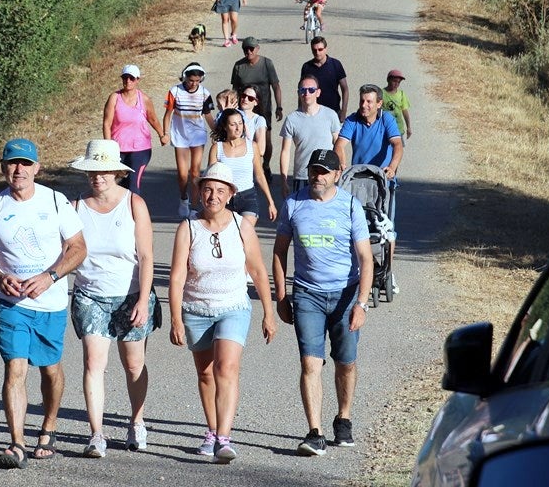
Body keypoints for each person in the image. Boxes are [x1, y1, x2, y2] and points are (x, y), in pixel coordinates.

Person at [0, 138, 88, 469]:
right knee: (16, 367)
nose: (18, 169)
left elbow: (78, 248)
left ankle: (48, 429)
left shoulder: (55, 201)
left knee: (50, 369)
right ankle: (17, 443)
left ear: (37, 168)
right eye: (12, 163)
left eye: (25, 163)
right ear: (3, 168)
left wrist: (50, 276)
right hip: (11, 304)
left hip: (50, 302)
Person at [169, 162, 277, 464]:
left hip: (233, 307)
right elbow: (177, 276)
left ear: (230, 194)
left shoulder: (242, 226)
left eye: (219, 190)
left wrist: (269, 313)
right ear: (200, 193)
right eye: (207, 189)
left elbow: (257, 270)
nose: (213, 196)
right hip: (196, 308)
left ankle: (224, 439)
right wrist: (176, 318)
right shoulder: (188, 228)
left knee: (226, 368)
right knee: (205, 373)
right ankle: (212, 430)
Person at [272, 149, 373, 456]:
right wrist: (281, 296)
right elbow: (279, 253)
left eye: (323, 172)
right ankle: (314, 432)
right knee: (310, 362)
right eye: (314, 171)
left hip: (345, 294)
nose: (317, 176)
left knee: (346, 362)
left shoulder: (351, 206)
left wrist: (362, 304)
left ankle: (343, 418)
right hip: (307, 294)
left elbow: (366, 260)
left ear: (336, 175)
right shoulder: (293, 204)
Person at [67, 140, 156, 459]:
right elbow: (65, 252)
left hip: (130, 294)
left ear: (117, 172)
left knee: (134, 364)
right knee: (93, 362)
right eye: (92, 170)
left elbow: (146, 257)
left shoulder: (134, 204)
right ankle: (96, 433)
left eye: (104, 170)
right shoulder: (75, 206)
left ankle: (137, 421)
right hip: (90, 294)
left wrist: (143, 300)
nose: (98, 177)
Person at [102, 64, 166, 195]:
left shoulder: (144, 99)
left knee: (133, 186)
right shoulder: (114, 97)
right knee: (113, 184)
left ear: (137, 80)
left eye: (131, 78)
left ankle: (134, 213)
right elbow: (107, 124)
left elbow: (152, 119)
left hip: (140, 149)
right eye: (125, 78)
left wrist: (162, 134)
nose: (128, 81)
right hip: (118, 149)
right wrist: (108, 146)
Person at [164, 62, 215, 218]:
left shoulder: (204, 93)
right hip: (180, 134)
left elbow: (207, 115)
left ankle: (193, 206)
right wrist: (165, 133)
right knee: (182, 173)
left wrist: (217, 132)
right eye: (191, 80)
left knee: (195, 171)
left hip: (198, 135)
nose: (194, 83)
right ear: (185, 77)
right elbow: (168, 113)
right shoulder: (175, 91)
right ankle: (183, 198)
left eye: (197, 81)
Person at [208, 108, 276, 227]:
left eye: (240, 123)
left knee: (244, 231)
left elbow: (260, 175)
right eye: (233, 124)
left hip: (248, 197)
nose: (238, 128)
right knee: (228, 237)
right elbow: (211, 179)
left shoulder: (252, 146)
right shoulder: (217, 148)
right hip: (224, 198)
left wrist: (271, 202)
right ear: (225, 127)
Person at [279, 76, 341, 197]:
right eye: (303, 90)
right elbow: (285, 152)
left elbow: (338, 145)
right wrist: (283, 180)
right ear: (298, 93)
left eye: (311, 90)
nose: (307, 93)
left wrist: (338, 172)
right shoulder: (291, 119)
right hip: (302, 176)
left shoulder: (331, 115)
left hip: (326, 176)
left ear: (318, 92)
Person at [230, 36, 283, 176]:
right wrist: (232, 107)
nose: (249, 51)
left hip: (263, 107)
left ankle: (265, 165)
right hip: (244, 106)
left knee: (265, 138)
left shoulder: (266, 63)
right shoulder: (238, 66)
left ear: (257, 49)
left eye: (251, 48)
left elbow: (276, 86)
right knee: (241, 136)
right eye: (246, 49)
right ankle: (244, 165)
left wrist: (279, 106)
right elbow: (234, 89)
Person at [336, 84, 403, 179]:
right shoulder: (351, 120)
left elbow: (397, 144)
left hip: (383, 177)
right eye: (362, 101)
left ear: (379, 104)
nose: (363, 105)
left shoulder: (387, 119)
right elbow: (339, 145)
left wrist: (392, 168)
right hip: (358, 178)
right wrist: (342, 163)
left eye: (369, 102)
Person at [300, 36, 348, 118]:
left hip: (333, 111)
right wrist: (300, 110)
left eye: (320, 49)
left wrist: (343, 111)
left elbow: (345, 89)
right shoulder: (307, 67)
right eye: (314, 50)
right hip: (312, 112)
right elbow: (302, 90)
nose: (317, 52)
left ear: (325, 49)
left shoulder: (335, 65)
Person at [382, 69, 413, 143]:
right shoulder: (381, 93)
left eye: (398, 82)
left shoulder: (401, 94)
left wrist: (408, 127)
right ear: (388, 80)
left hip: (398, 128)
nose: (396, 84)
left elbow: (405, 111)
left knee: (398, 149)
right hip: (384, 128)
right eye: (394, 81)